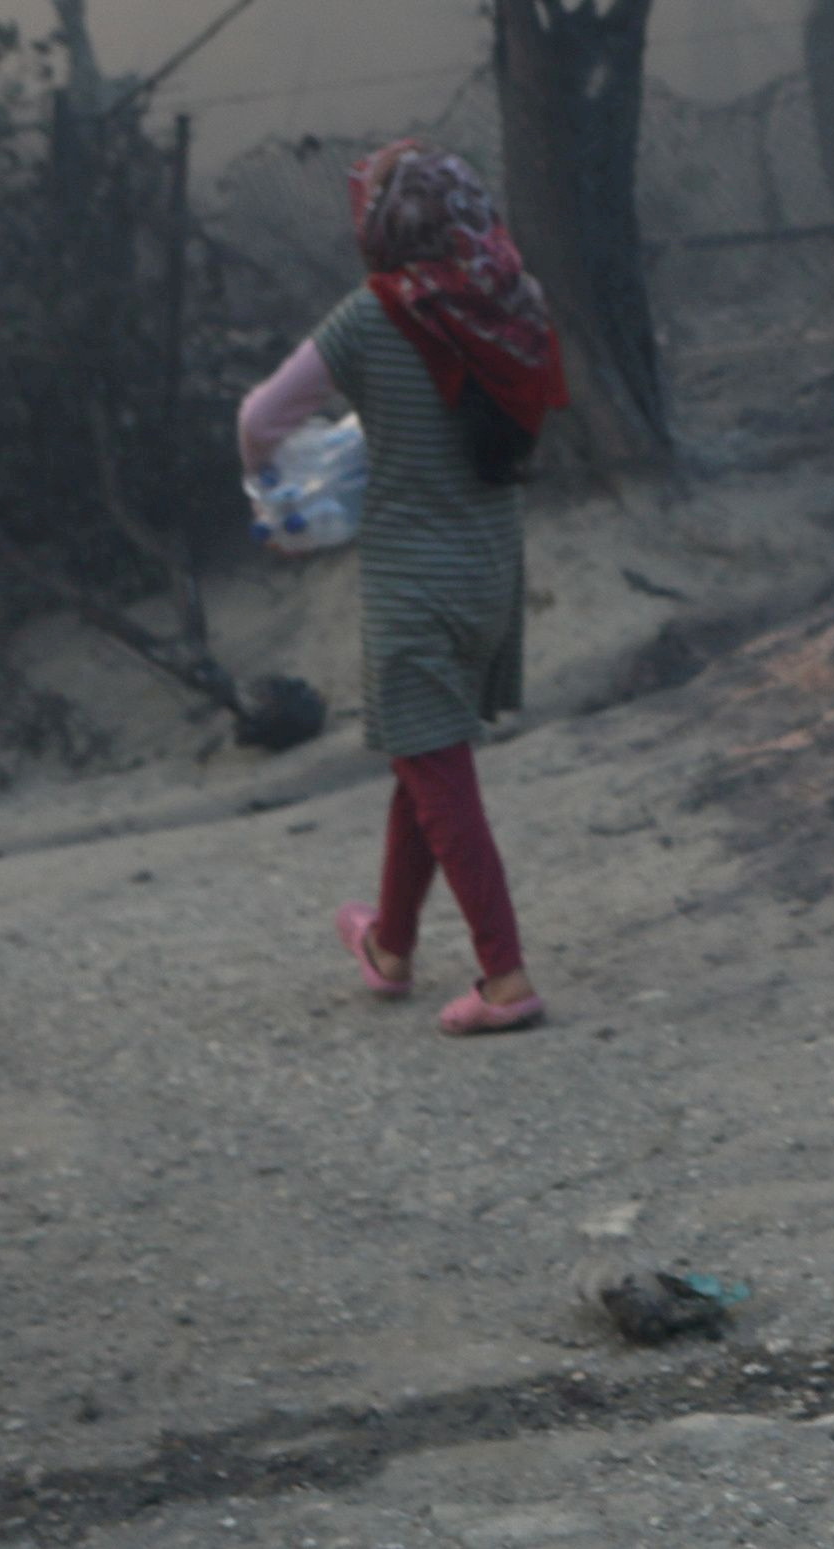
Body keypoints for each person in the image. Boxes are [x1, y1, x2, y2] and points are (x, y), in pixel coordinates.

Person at [238, 139, 566, 1036]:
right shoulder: (513, 299)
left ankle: (505, 978)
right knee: (422, 756)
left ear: (382, 227)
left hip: (412, 579)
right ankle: (389, 944)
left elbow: (261, 417)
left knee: (439, 772)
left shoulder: (372, 314)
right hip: (493, 570)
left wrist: (273, 494)